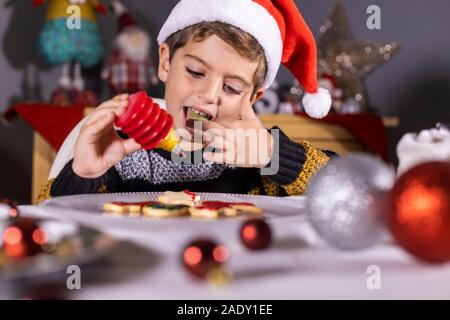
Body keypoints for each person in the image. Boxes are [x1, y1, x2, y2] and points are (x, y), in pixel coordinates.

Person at [38, 0, 335, 201]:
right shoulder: (120, 154)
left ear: (254, 97)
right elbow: (47, 227)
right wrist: (81, 175)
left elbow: (347, 193)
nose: (209, 95)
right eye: (195, 72)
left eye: (231, 88)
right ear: (165, 62)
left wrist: (277, 155)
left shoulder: (260, 159)